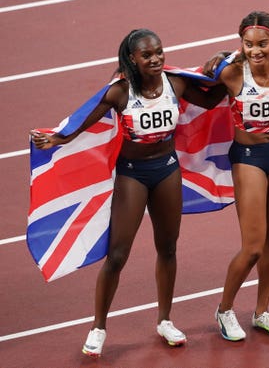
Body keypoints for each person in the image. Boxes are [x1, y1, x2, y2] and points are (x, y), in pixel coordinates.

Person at [30, 28, 226, 357]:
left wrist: (224, 70)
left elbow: (210, 99)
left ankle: (165, 320)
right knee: (117, 255)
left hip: (166, 171)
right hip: (132, 176)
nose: (155, 59)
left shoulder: (175, 84)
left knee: (167, 248)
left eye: (159, 52)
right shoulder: (120, 93)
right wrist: (58, 138)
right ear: (132, 59)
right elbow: (83, 120)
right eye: (147, 55)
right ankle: (98, 327)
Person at [210, 11, 269, 341]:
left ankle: (261, 311)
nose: (255, 51)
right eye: (247, 45)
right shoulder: (232, 73)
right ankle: (224, 310)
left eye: (262, 44)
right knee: (252, 247)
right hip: (247, 159)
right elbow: (196, 88)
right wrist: (223, 57)